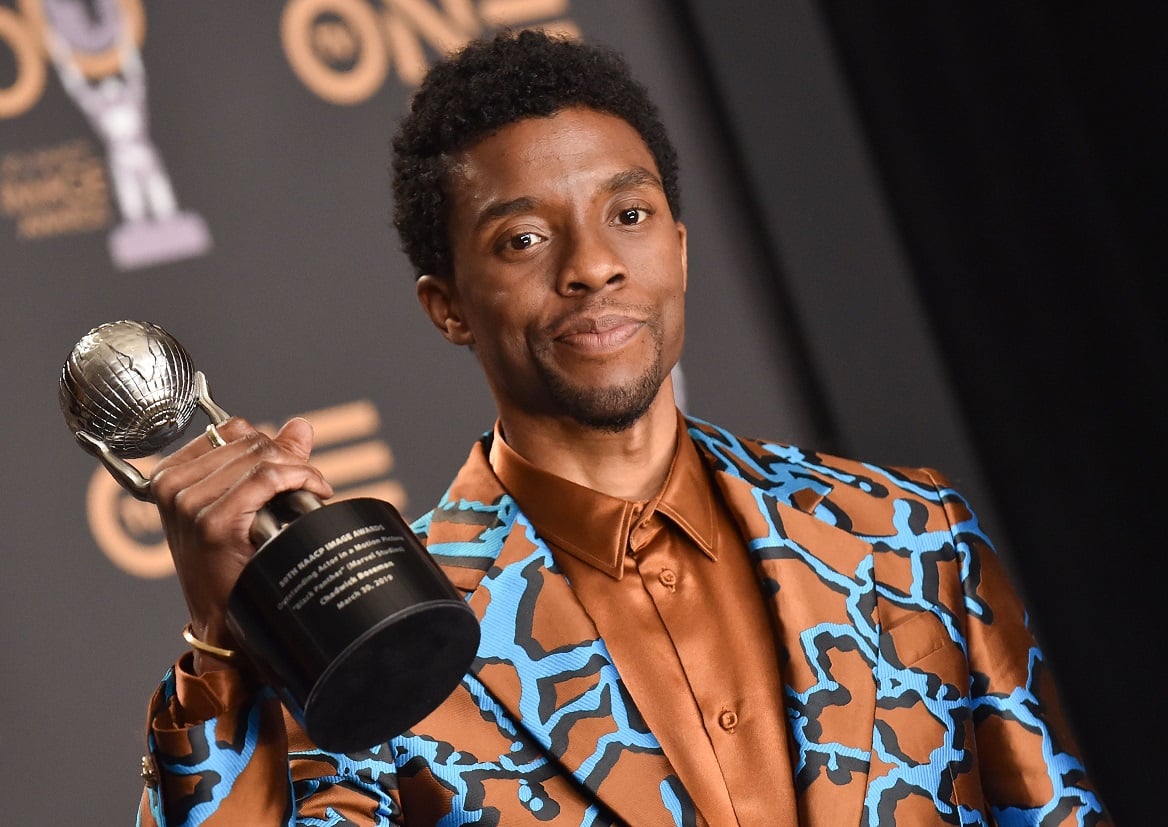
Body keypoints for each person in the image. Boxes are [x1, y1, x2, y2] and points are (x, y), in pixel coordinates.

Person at [136, 29, 1109, 827]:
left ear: (680, 252)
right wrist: (224, 650)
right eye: (523, 238)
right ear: (447, 306)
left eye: (630, 214)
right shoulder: (384, 639)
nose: (593, 263)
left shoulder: (910, 537)